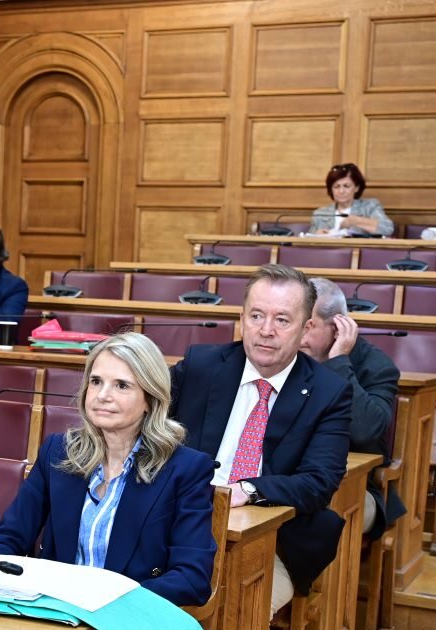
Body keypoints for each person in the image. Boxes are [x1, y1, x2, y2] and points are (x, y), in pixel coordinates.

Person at [0, 333, 216, 606]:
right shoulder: (58, 452)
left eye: (121, 385)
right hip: (53, 609)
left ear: (150, 399)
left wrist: (110, 601)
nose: (103, 396)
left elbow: (192, 579)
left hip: (127, 614)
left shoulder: (186, 469)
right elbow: (5, 539)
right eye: (96, 382)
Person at [169, 264, 352, 615]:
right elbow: (144, 420)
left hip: (276, 538)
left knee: (234, 612)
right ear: (241, 319)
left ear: (305, 329)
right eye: (256, 316)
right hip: (180, 524)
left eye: (282, 320)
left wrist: (248, 489)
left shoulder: (328, 392)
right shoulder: (200, 366)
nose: (266, 330)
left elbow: (319, 482)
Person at [301, 278, 403, 540]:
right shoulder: (285, 356)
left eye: (308, 327)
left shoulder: (376, 366)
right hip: (293, 475)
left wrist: (338, 361)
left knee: (319, 519)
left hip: (355, 485)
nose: (297, 336)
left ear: (338, 328)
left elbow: (365, 431)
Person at [309, 163, 393, 237]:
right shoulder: (320, 213)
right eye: (336, 187)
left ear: (357, 188)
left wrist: (357, 221)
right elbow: (308, 240)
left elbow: (387, 229)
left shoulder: (370, 207)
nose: (341, 191)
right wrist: (316, 235)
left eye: (346, 186)